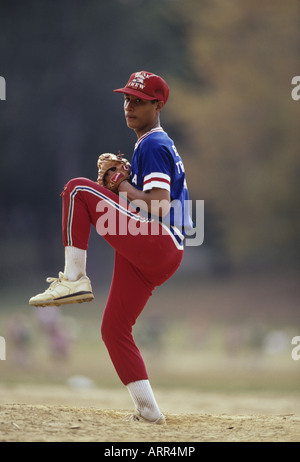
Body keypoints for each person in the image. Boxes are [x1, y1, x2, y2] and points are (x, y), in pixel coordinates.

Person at [29, 70, 193, 424]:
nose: (129, 106)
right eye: (127, 99)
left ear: (158, 104)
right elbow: (146, 197)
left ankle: (74, 278)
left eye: (139, 100)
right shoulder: (150, 143)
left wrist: (119, 184)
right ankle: (149, 411)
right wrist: (124, 180)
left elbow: (160, 203)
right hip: (161, 252)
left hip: (159, 239)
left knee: (77, 189)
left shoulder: (152, 142)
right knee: (114, 329)